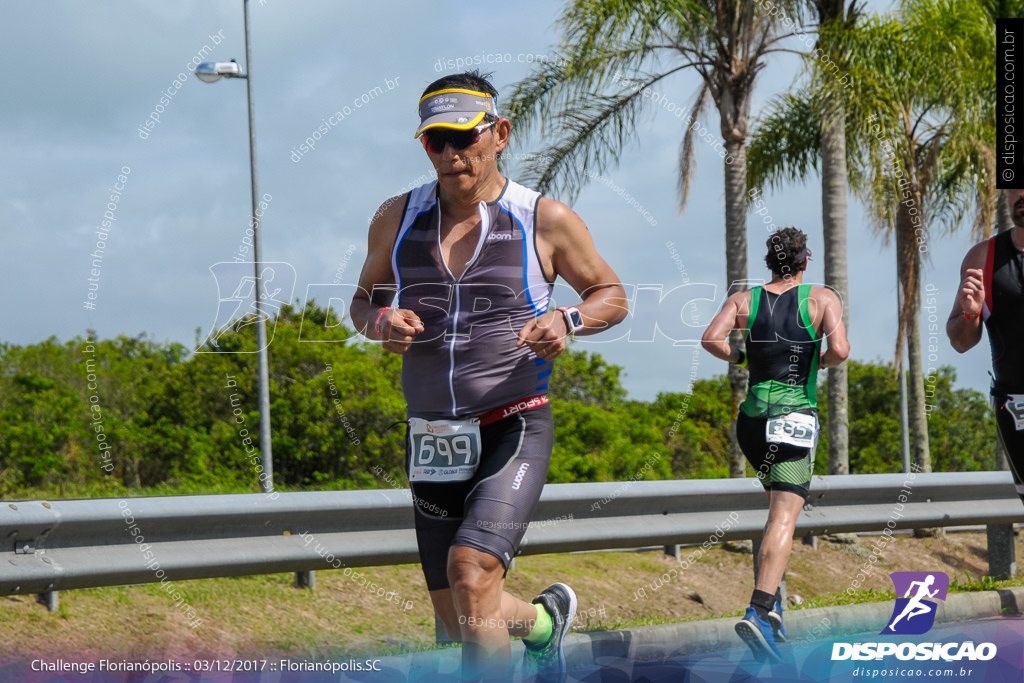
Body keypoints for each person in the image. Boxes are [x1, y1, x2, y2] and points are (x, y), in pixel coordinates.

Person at [349, 71, 626, 678]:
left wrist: (568, 319)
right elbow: (362, 300)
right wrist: (381, 322)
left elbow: (612, 294)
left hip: (514, 423)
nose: (451, 154)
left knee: (471, 575)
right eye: (435, 142)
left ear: (499, 134)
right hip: (431, 437)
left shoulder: (542, 218)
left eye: (463, 138)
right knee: (459, 618)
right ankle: (545, 623)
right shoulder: (396, 218)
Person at [701, 227, 849, 661]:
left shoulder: (743, 300)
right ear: (805, 261)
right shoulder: (823, 298)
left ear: (770, 262)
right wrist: (815, 361)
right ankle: (760, 611)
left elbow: (711, 339)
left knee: (775, 513)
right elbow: (840, 350)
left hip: (751, 423)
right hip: (793, 420)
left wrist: (742, 357)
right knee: (784, 518)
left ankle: (775, 607)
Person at [947, 188, 1024, 506]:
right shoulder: (983, 259)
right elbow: (961, 342)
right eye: (1014, 187)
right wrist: (970, 313)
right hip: (1016, 406)